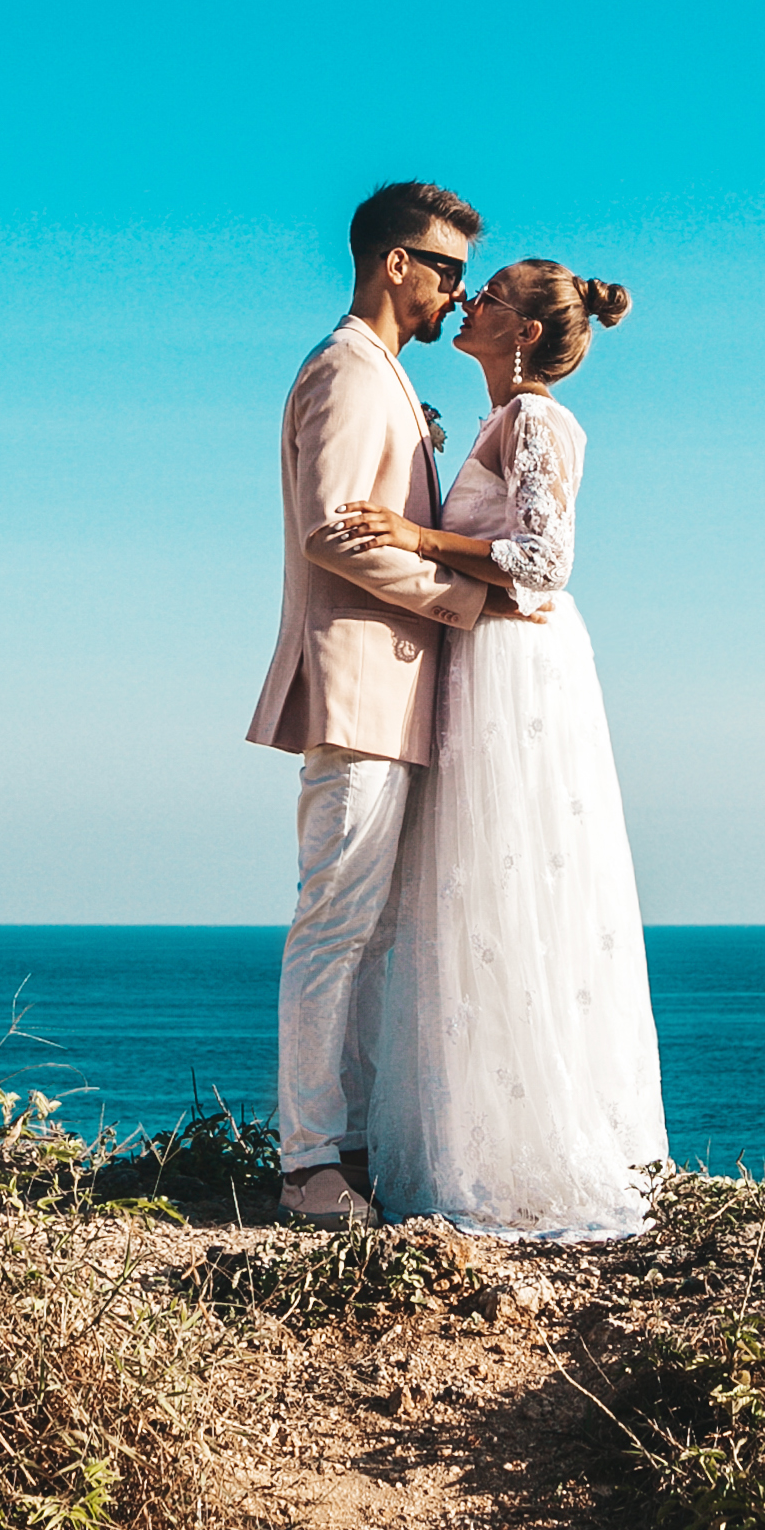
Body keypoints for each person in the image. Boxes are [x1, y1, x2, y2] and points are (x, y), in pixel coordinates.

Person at [326, 258, 667, 1239]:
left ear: (520, 331)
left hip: (517, 660)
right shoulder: (493, 421)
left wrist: (414, 536)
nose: (469, 301)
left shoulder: (535, 420)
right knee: (467, 895)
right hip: (480, 657)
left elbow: (543, 560)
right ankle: (477, 1144)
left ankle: (528, 1156)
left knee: (513, 887)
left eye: (491, 294)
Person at [246, 181, 501, 1229]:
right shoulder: (348, 372)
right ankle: (307, 1160)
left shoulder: (385, 379)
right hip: (358, 687)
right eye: (446, 268)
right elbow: (333, 535)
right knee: (335, 925)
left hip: (395, 697)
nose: (459, 290)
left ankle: (342, 1146)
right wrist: (470, 603)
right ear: (396, 264)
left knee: (374, 934)